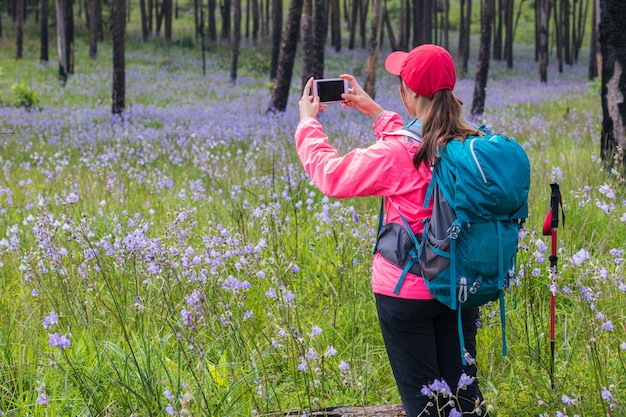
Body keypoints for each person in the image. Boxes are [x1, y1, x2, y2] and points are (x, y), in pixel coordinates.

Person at [295, 44, 488, 417]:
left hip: (407, 293)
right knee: (465, 397)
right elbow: (420, 139)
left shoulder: (397, 153)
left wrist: (308, 123)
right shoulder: (471, 142)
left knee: (426, 406)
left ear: (410, 94)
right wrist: (375, 112)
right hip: (459, 289)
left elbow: (332, 177)